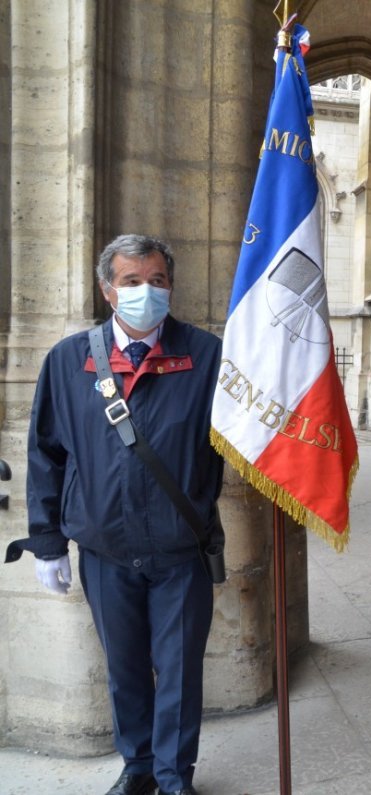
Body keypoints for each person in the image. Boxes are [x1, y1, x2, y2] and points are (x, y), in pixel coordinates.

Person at [5, 235, 224, 795]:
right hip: (105, 552)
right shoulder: (67, 360)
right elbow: (46, 454)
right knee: (125, 670)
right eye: (131, 282)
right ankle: (139, 768)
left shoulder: (206, 356)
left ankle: (176, 778)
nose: (145, 292)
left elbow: (238, 443)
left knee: (178, 674)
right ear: (108, 290)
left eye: (156, 280)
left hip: (181, 551)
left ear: (170, 285)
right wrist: (48, 541)